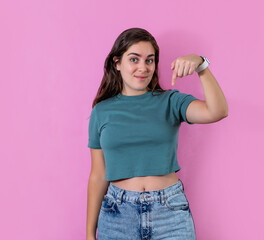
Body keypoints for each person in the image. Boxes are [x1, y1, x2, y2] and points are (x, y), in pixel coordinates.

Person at [86, 27, 228, 240]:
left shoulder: (170, 101)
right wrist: (89, 233)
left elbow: (217, 111)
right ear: (117, 63)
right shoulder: (101, 111)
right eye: (134, 59)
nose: (143, 68)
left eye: (149, 60)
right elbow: (97, 175)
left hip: (169, 213)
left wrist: (201, 66)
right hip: (117, 216)